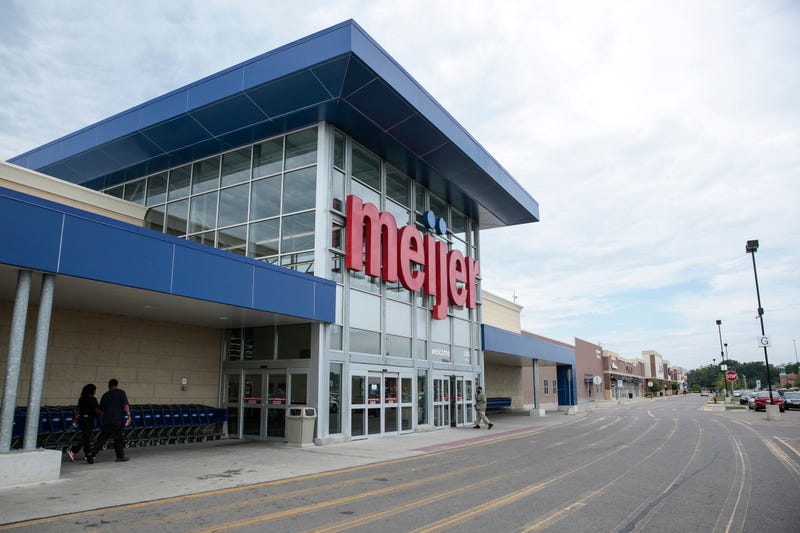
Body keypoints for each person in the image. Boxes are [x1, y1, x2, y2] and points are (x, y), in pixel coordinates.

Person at [87, 378, 131, 463]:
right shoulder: (121, 393)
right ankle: (120, 456)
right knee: (118, 439)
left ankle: (91, 453)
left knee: (101, 439)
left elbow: (100, 410)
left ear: (109, 386)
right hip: (117, 420)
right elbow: (125, 405)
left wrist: (102, 421)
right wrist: (129, 416)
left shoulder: (105, 395)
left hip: (107, 421)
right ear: (116, 385)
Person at [67, 383, 100, 462]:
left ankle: (87, 454)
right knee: (86, 437)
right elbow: (96, 409)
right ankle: (74, 451)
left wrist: (75, 420)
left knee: (86, 437)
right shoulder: (93, 399)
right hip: (89, 419)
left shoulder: (81, 398)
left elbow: (79, 409)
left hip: (81, 419)